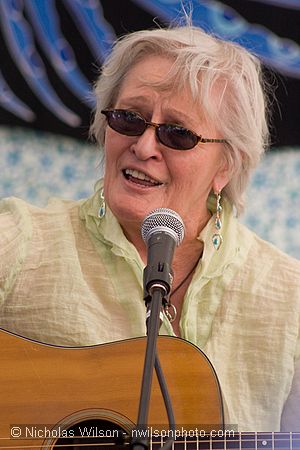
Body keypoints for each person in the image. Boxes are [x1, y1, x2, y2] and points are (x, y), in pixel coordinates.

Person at [0, 24, 300, 432]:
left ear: (226, 167)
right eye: (129, 119)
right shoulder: (20, 243)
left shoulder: (290, 302)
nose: (143, 147)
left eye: (177, 134)